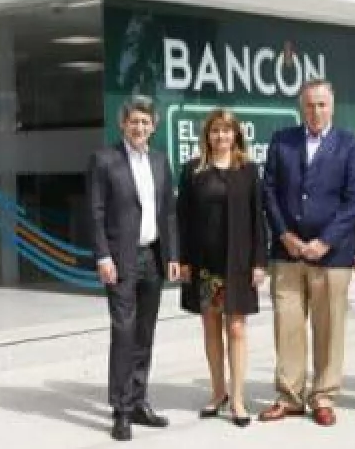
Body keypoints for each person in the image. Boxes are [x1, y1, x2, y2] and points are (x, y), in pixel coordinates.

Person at [258, 78, 355, 427]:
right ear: (301, 107)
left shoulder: (351, 145)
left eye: (322, 104)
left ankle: (323, 396)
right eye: (309, 105)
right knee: (287, 325)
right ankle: (289, 397)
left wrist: (326, 241)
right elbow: (269, 192)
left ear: (332, 106)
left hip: (331, 256)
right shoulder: (282, 140)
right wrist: (284, 234)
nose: (316, 111)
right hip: (287, 253)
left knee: (329, 329)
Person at [88, 96, 182, 442]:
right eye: (134, 121)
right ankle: (122, 410)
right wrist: (103, 256)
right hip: (120, 260)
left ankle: (139, 401)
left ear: (153, 126)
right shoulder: (104, 160)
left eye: (145, 122)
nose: (139, 127)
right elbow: (95, 212)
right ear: (123, 125)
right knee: (124, 332)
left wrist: (173, 255)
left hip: (153, 258)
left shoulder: (159, 160)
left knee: (145, 333)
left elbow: (168, 212)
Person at [177, 108, 266, 428]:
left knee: (237, 329)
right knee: (211, 328)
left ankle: (238, 399)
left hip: (238, 264)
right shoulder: (192, 170)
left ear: (236, 134)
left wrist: (259, 261)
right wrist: (183, 260)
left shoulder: (248, 170)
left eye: (226, 130)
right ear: (207, 135)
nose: (221, 136)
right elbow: (183, 219)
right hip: (205, 265)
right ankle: (218, 392)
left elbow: (258, 219)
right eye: (215, 130)